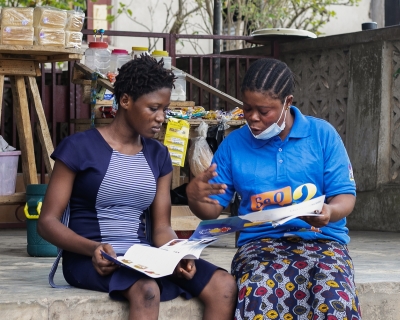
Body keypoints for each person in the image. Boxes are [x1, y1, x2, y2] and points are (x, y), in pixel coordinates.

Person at [37, 55, 237, 320]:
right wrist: (91, 249)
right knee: (147, 290)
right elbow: (47, 222)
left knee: (224, 285)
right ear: (126, 100)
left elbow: (161, 228)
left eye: (164, 109)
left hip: (143, 259)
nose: (161, 118)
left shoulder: (158, 155)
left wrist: (177, 254)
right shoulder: (78, 148)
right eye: (153, 108)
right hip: (90, 259)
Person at [186, 58, 362, 320]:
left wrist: (330, 212)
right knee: (260, 292)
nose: (253, 118)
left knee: (333, 297)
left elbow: (345, 196)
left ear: (288, 102)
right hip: (259, 245)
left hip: (324, 242)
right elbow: (211, 211)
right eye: (247, 108)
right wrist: (194, 196)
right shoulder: (234, 145)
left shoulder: (322, 135)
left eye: (264, 111)